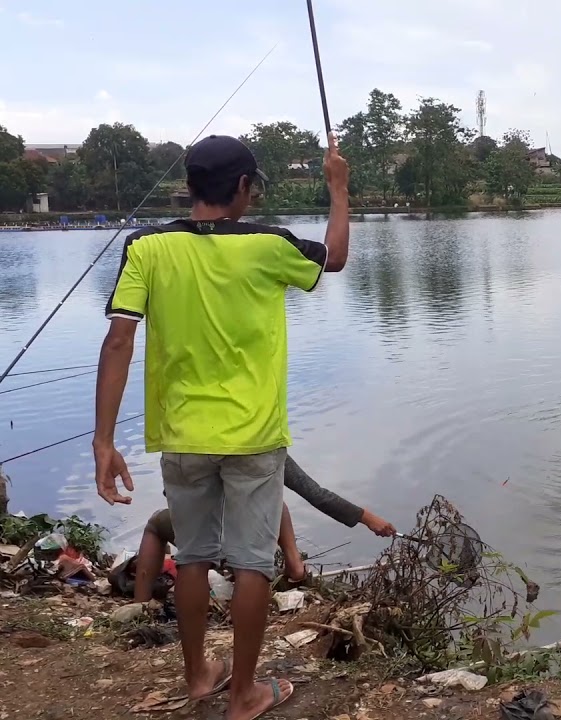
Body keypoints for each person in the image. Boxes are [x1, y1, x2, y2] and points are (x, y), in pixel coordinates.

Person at [93, 132, 349, 720]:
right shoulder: (268, 245)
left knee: (198, 556)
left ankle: (198, 678)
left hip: (181, 434)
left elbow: (118, 339)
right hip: (254, 434)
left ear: (188, 185)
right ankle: (244, 694)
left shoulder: (146, 248)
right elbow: (333, 257)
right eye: (252, 185)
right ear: (241, 187)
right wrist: (338, 190)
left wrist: (104, 441)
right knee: (255, 560)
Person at [125, 455, 396, 604]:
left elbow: (172, 494)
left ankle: (140, 604)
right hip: (246, 546)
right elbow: (318, 495)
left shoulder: (190, 443)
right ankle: (294, 564)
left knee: (155, 525)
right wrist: (368, 518)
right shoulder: (265, 446)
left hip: (200, 543)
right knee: (272, 496)